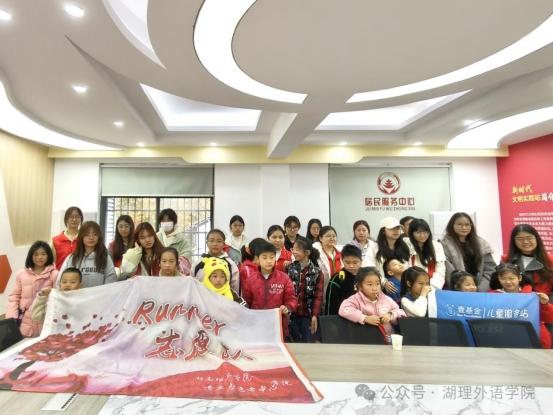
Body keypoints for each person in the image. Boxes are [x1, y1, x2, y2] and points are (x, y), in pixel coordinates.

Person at [488, 263, 553, 349]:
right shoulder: (492, 297)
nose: (507, 282)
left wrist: (544, 304)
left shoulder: (531, 296)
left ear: (519, 278)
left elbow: (549, 318)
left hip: (532, 340)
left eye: (511, 278)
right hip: (504, 339)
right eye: (502, 278)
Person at [241, 242, 298, 340]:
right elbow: (247, 303)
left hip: (278, 326)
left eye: (272, 257)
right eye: (264, 258)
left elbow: (292, 299)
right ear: (257, 260)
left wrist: (287, 308)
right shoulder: (251, 280)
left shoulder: (284, 278)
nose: (268, 261)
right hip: (257, 326)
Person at [6, 241, 59, 337]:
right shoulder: (21, 274)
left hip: (45, 324)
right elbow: (14, 297)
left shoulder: (54, 274)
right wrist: (11, 318)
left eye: (43, 254)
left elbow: (58, 298)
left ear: (48, 255)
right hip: (24, 324)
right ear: (31, 256)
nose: (39, 257)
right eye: (36, 254)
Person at [339, 267, 406, 336]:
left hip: (387, 338)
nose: (375, 288)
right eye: (370, 284)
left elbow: (401, 313)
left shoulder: (386, 299)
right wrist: (365, 318)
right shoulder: (356, 299)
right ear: (359, 286)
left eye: (377, 284)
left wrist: (391, 315)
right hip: (364, 338)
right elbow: (343, 309)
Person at [440, 212, 496, 291]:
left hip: (479, 290)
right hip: (457, 291)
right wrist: (461, 287)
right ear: (452, 225)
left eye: (467, 225)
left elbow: (490, 269)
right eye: (459, 224)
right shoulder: (444, 245)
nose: (464, 227)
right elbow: (448, 271)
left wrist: (479, 289)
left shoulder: (482, 244)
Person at [502, 224, 553, 301]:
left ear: (536, 239)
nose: (525, 242)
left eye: (529, 238)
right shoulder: (506, 260)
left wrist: (546, 303)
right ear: (514, 241)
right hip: (514, 303)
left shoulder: (550, 260)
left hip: (544, 304)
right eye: (520, 239)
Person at [288, 237, 324, 343]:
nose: (294, 252)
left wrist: (315, 315)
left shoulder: (317, 272)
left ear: (307, 252)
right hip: (291, 315)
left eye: (298, 249)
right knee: (292, 344)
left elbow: (318, 296)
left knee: (308, 345)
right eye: (293, 249)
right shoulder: (289, 268)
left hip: (308, 316)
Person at [59, 221, 117, 287]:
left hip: (100, 293)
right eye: (87, 234)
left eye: (95, 234)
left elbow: (111, 284)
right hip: (76, 294)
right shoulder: (72, 258)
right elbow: (60, 282)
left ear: (99, 237)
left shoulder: (105, 258)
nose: (91, 237)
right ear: (81, 237)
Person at [366, 217, 411, 294]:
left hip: (403, 282)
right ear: (383, 231)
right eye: (392, 228)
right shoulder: (374, 247)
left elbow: (408, 265)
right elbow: (369, 268)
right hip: (381, 287)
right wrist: (383, 282)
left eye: (398, 228)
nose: (396, 231)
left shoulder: (404, 246)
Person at [191, 229, 240, 293]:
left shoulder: (231, 264)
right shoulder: (199, 263)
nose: (215, 244)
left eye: (219, 241)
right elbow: (191, 284)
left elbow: (235, 288)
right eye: (212, 241)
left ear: (224, 244)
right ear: (207, 243)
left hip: (224, 298)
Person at [404, 218, 446, 290]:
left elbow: (440, 271)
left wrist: (430, 286)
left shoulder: (436, 246)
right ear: (411, 233)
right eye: (418, 232)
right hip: (412, 286)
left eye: (425, 232)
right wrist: (418, 286)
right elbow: (406, 268)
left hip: (432, 286)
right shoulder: (406, 244)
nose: (422, 235)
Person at [325, 245, 362, 315]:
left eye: (355, 263)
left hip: (364, 317)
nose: (351, 266)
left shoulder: (366, 276)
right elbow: (331, 304)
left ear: (361, 261)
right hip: (342, 317)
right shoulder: (337, 278)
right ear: (342, 260)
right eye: (347, 262)